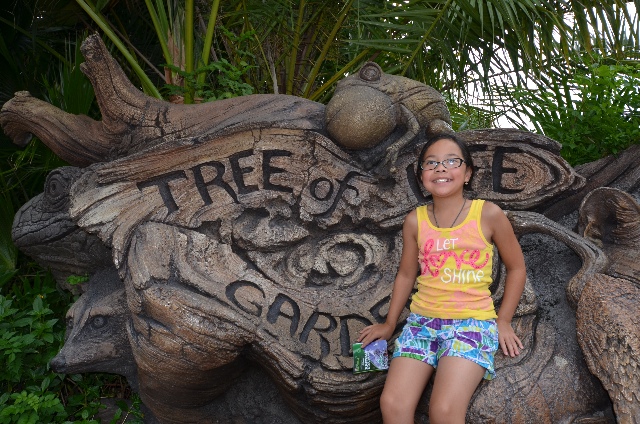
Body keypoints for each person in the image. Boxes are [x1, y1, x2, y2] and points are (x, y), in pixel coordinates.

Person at [357, 133, 526, 424]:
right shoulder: (415, 220)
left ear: (467, 173)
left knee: (444, 411)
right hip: (421, 324)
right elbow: (407, 274)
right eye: (431, 163)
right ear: (421, 175)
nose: (441, 168)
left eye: (451, 161)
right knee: (392, 404)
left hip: (471, 324)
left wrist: (504, 320)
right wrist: (389, 324)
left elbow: (517, 268)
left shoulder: (487, 214)